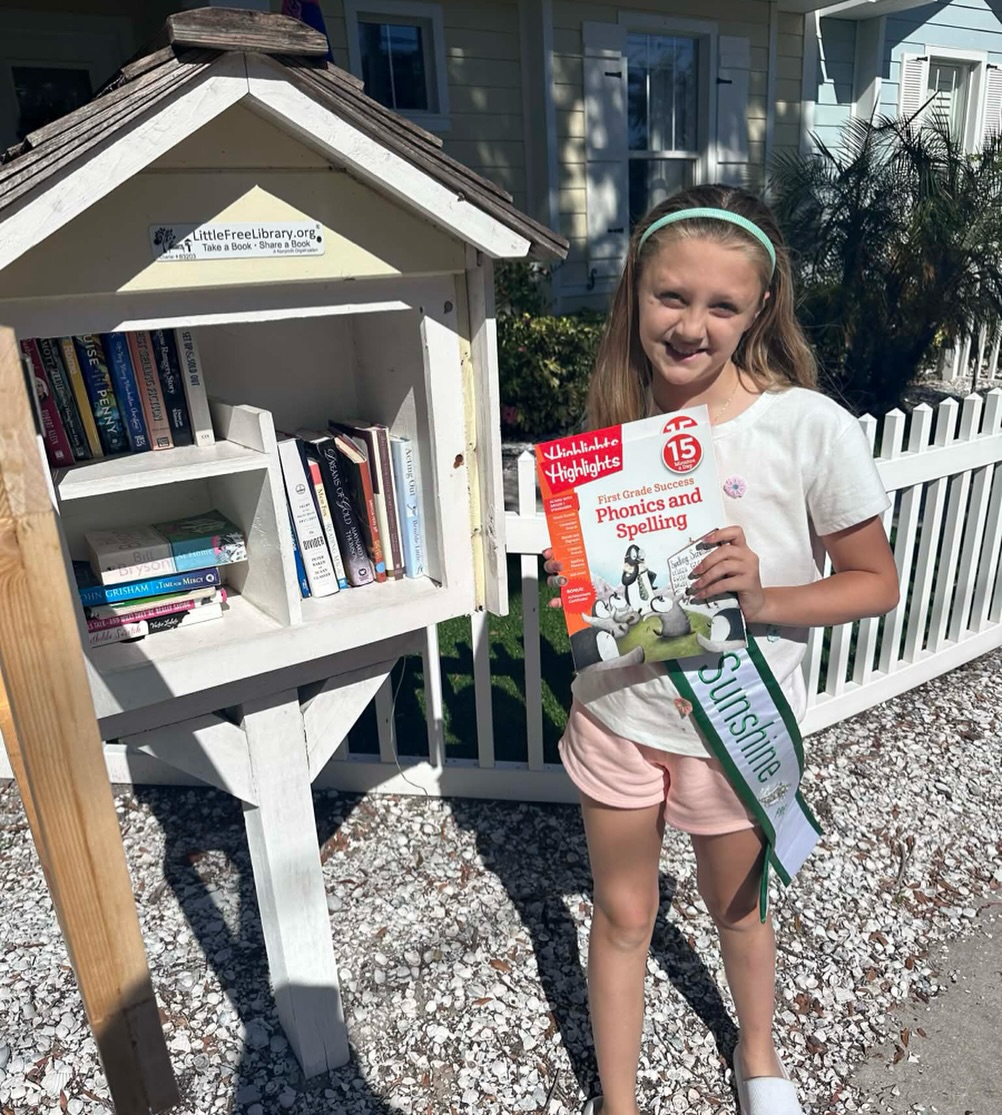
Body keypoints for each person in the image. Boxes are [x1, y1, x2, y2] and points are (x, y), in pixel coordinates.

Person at [542, 183, 899, 1115]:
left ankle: (760, 1052)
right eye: (671, 296)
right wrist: (576, 588)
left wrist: (764, 593)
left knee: (738, 906)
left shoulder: (806, 426)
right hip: (620, 712)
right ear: (634, 292)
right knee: (623, 914)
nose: (692, 324)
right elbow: (614, 585)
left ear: (759, 309)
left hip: (730, 727)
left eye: (722, 304)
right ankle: (617, 1103)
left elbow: (874, 579)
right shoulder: (612, 424)